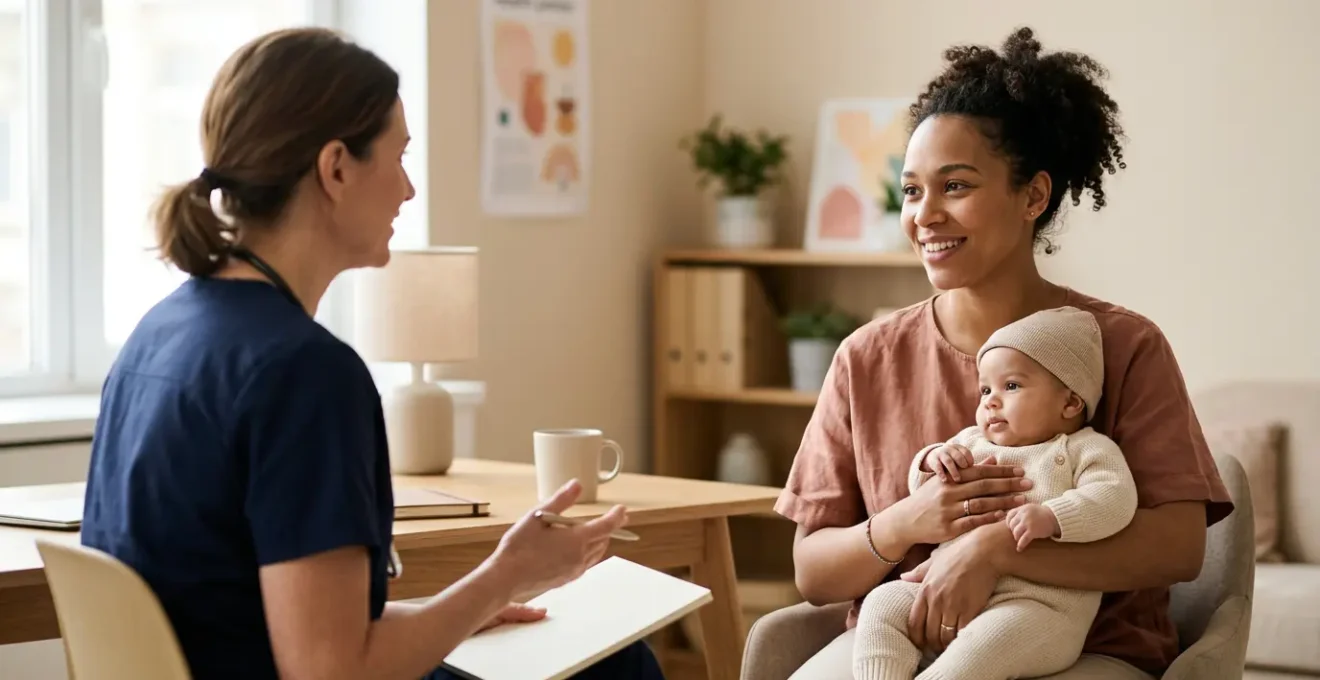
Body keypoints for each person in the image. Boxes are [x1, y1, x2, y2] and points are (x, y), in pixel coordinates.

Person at [80, 27, 664, 680]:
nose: (408, 190)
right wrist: (505, 576)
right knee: (618, 668)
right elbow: (330, 671)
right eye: (399, 157)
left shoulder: (157, 335)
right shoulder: (303, 373)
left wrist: (468, 608)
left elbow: (251, 617)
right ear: (335, 168)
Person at [776, 26, 1232, 679]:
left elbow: (1178, 547)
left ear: (1033, 196)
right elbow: (813, 571)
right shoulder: (865, 358)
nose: (924, 215)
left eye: (955, 186)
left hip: (1088, 648)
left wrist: (996, 552)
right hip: (903, 642)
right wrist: (906, 522)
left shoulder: (1126, 345)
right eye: (912, 190)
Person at [852, 306, 1139, 679]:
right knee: (882, 604)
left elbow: (1114, 499)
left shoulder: (1084, 449)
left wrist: (1054, 517)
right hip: (944, 591)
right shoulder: (971, 442)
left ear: (1070, 402)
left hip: (1039, 609)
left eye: (1012, 386)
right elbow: (923, 490)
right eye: (985, 389)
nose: (990, 400)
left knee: (987, 643)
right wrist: (933, 460)